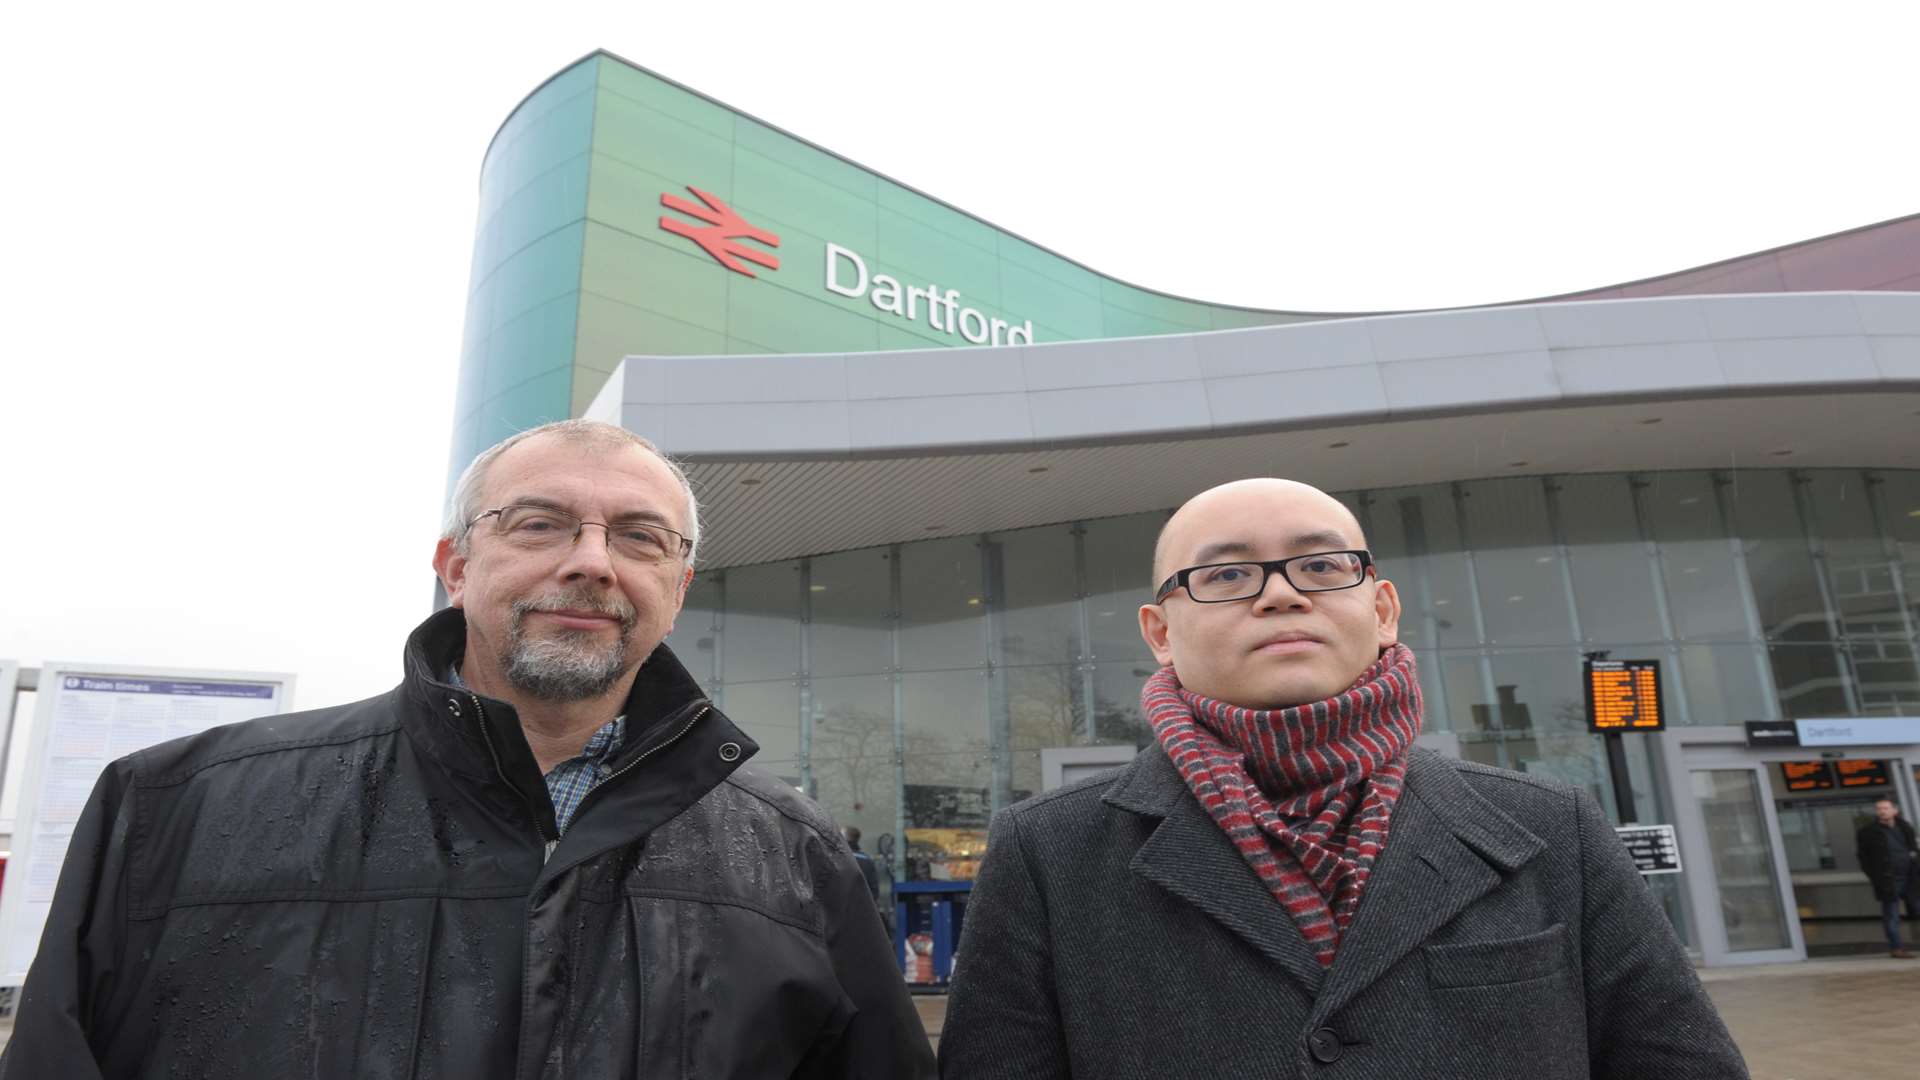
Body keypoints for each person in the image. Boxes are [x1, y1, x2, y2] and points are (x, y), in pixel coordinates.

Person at [3, 419, 935, 1079]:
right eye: (540, 524)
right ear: (455, 566)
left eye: (641, 537)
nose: (593, 561)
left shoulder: (796, 855)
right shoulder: (175, 808)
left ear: (677, 586)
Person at [939, 478, 1746, 1079]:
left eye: (1322, 565)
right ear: (1160, 631)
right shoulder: (1048, 850)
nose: (1282, 594)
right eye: (1224, 576)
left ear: (1383, 609)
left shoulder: (1550, 828)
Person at [1855, 796, 1920, 959]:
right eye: (1879, 809)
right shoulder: (1868, 832)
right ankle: (1896, 948)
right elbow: (1864, 858)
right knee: (1891, 914)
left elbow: (1913, 849)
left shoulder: (1905, 827)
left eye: (1885, 808)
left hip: (1911, 877)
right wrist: (1875, 877)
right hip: (1888, 880)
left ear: (1894, 810)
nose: (1881, 811)